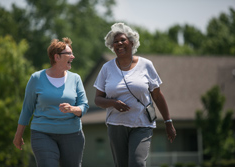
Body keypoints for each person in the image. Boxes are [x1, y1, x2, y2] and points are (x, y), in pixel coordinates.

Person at [94, 23, 176, 167]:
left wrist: (168, 122)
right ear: (112, 46)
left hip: (142, 123)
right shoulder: (107, 68)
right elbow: (98, 99)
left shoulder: (146, 65)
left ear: (131, 43)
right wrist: (113, 103)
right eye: (115, 42)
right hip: (116, 125)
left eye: (122, 40)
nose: (119, 43)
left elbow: (157, 96)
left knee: (137, 163)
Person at [13, 37, 89, 167]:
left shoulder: (76, 79)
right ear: (57, 57)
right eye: (69, 53)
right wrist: (18, 135)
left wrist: (72, 109)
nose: (73, 56)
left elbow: (84, 105)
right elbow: (27, 108)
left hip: (72, 134)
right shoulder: (36, 78)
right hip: (42, 134)